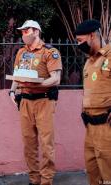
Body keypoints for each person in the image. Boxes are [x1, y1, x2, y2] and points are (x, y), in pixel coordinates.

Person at [9, 20, 62, 185]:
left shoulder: (50, 52)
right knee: (29, 144)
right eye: (22, 32)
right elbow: (17, 75)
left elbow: (56, 79)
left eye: (27, 31)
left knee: (47, 144)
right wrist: (12, 91)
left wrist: (37, 84)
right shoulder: (21, 52)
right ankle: (34, 179)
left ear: (36, 31)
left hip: (44, 101)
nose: (24, 34)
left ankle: (46, 180)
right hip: (25, 101)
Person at [75, 19, 111, 185]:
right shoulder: (89, 62)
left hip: (106, 126)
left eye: (80, 41)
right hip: (90, 126)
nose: (78, 45)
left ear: (92, 35)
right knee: (93, 173)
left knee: (108, 174)